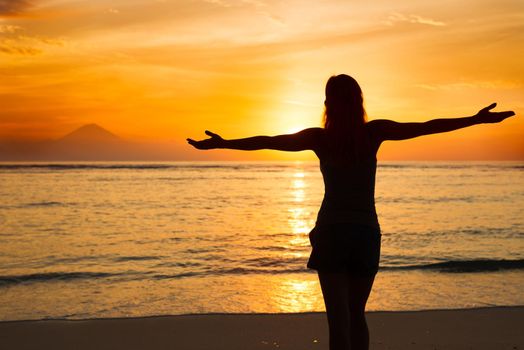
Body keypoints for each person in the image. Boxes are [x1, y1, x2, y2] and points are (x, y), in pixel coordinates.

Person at [186, 74, 515, 350]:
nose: (326, 104)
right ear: (358, 102)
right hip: (365, 234)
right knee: (356, 315)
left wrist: (224, 143)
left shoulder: (321, 138)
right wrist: (475, 119)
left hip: (333, 233)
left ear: (330, 104)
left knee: (338, 322)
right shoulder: (372, 133)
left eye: (328, 99)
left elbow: (269, 141)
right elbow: (427, 126)